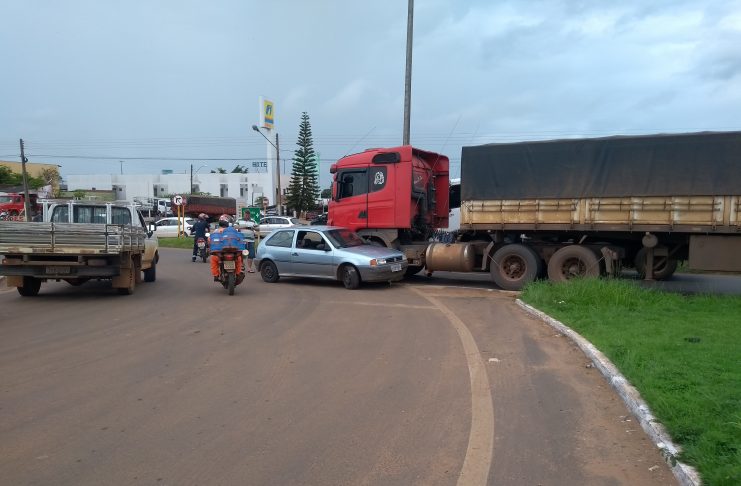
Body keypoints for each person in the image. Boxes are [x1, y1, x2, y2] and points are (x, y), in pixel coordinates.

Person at [209, 214, 245, 281]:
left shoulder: (216, 231)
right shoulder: (234, 230)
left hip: (220, 253)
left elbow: (210, 240)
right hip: (233, 251)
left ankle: (216, 275)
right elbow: (239, 239)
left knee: (213, 258)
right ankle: (238, 273)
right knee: (239, 259)